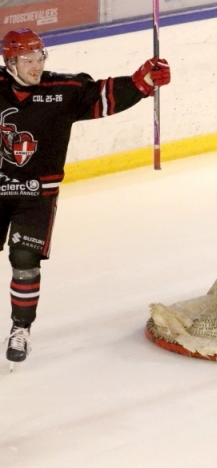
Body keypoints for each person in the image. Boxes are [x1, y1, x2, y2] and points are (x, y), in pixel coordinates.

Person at [0, 28, 170, 367]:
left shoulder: (62, 90)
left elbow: (102, 96)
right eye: (27, 60)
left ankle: (21, 329)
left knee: (24, 259)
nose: (36, 66)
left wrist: (142, 82)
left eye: (39, 57)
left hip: (37, 194)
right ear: (10, 63)